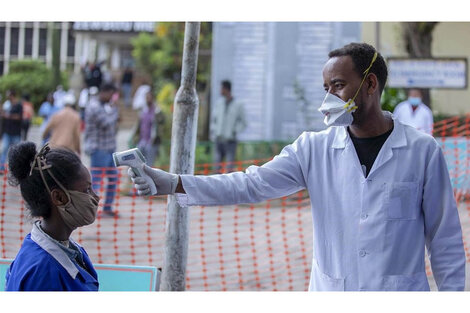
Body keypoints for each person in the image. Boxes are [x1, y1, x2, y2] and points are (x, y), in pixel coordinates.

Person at [128, 43, 465, 291]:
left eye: (338, 85)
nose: (329, 97)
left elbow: (445, 240)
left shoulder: (422, 152)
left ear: (371, 85)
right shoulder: (313, 149)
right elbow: (250, 184)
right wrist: (173, 183)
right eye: (326, 88)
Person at [4, 142, 99, 291]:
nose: (96, 197)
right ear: (59, 198)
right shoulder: (43, 272)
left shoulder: (71, 250)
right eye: (87, 190)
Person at [84, 83, 119, 217]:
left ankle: (108, 207)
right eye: (111, 94)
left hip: (109, 148)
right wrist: (115, 111)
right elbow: (106, 123)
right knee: (97, 180)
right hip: (98, 149)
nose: (112, 98)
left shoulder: (104, 106)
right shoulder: (94, 106)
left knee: (114, 178)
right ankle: (91, 209)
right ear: (104, 92)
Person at [210, 80, 247, 172]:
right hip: (219, 140)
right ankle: (216, 186)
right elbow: (214, 120)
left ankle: (228, 186)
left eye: (221, 88)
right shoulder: (219, 103)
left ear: (226, 89)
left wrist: (234, 131)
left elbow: (243, 122)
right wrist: (214, 131)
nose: (220, 90)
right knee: (216, 167)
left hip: (231, 141)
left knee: (229, 169)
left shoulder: (238, 105)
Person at [129, 89, 165, 166]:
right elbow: (138, 126)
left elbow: (161, 123)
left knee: (149, 164)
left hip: (151, 142)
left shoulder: (157, 111)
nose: (147, 99)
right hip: (142, 140)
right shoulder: (143, 111)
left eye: (149, 97)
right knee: (137, 162)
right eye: (146, 97)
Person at [0, 89, 23, 171]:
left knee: (16, 152)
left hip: (16, 132)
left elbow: (19, 117)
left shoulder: (19, 105)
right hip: (7, 131)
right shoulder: (7, 105)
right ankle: (1, 168)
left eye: (8, 95)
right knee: (4, 150)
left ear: (12, 95)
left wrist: (7, 115)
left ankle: (15, 169)